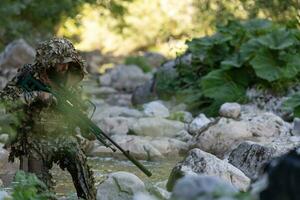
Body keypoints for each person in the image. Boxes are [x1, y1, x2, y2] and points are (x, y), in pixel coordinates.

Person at [0, 38, 96, 200]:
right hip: (33, 140)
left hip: (61, 136)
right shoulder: (28, 75)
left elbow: (77, 112)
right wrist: (37, 95)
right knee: (42, 192)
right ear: (48, 62)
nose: (64, 67)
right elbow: (7, 100)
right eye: (60, 63)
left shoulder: (69, 80)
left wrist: (86, 128)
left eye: (68, 63)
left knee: (80, 165)